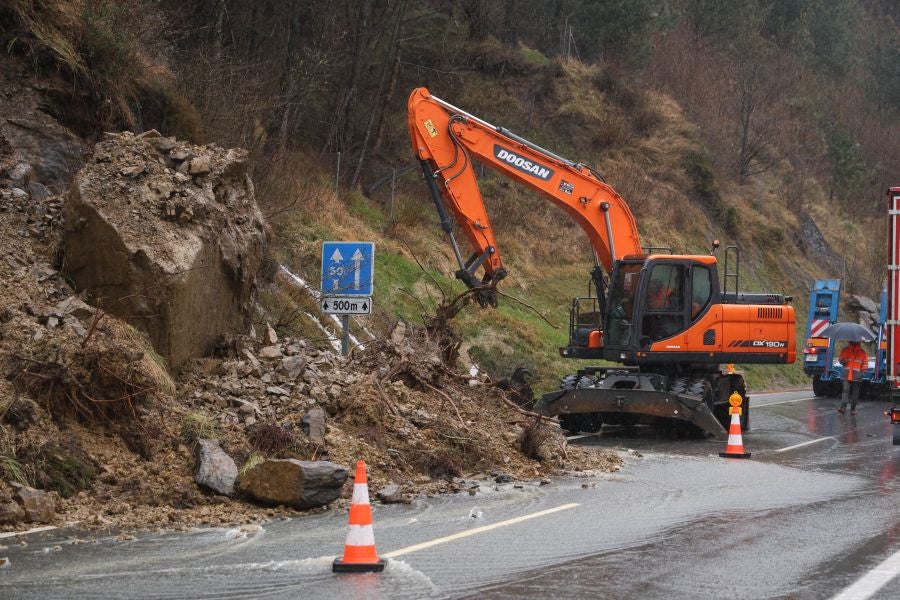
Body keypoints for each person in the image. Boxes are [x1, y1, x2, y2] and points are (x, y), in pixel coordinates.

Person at [838, 340, 868, 414]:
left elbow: (864, 365)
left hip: (851, 375)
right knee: (849, 391)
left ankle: (849, 409)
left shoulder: (847, 350)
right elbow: (841, 361)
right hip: (849, 375)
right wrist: (844, 361)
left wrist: (861, 374)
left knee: (848, 391)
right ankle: (847, 409)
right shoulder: (861, 352)